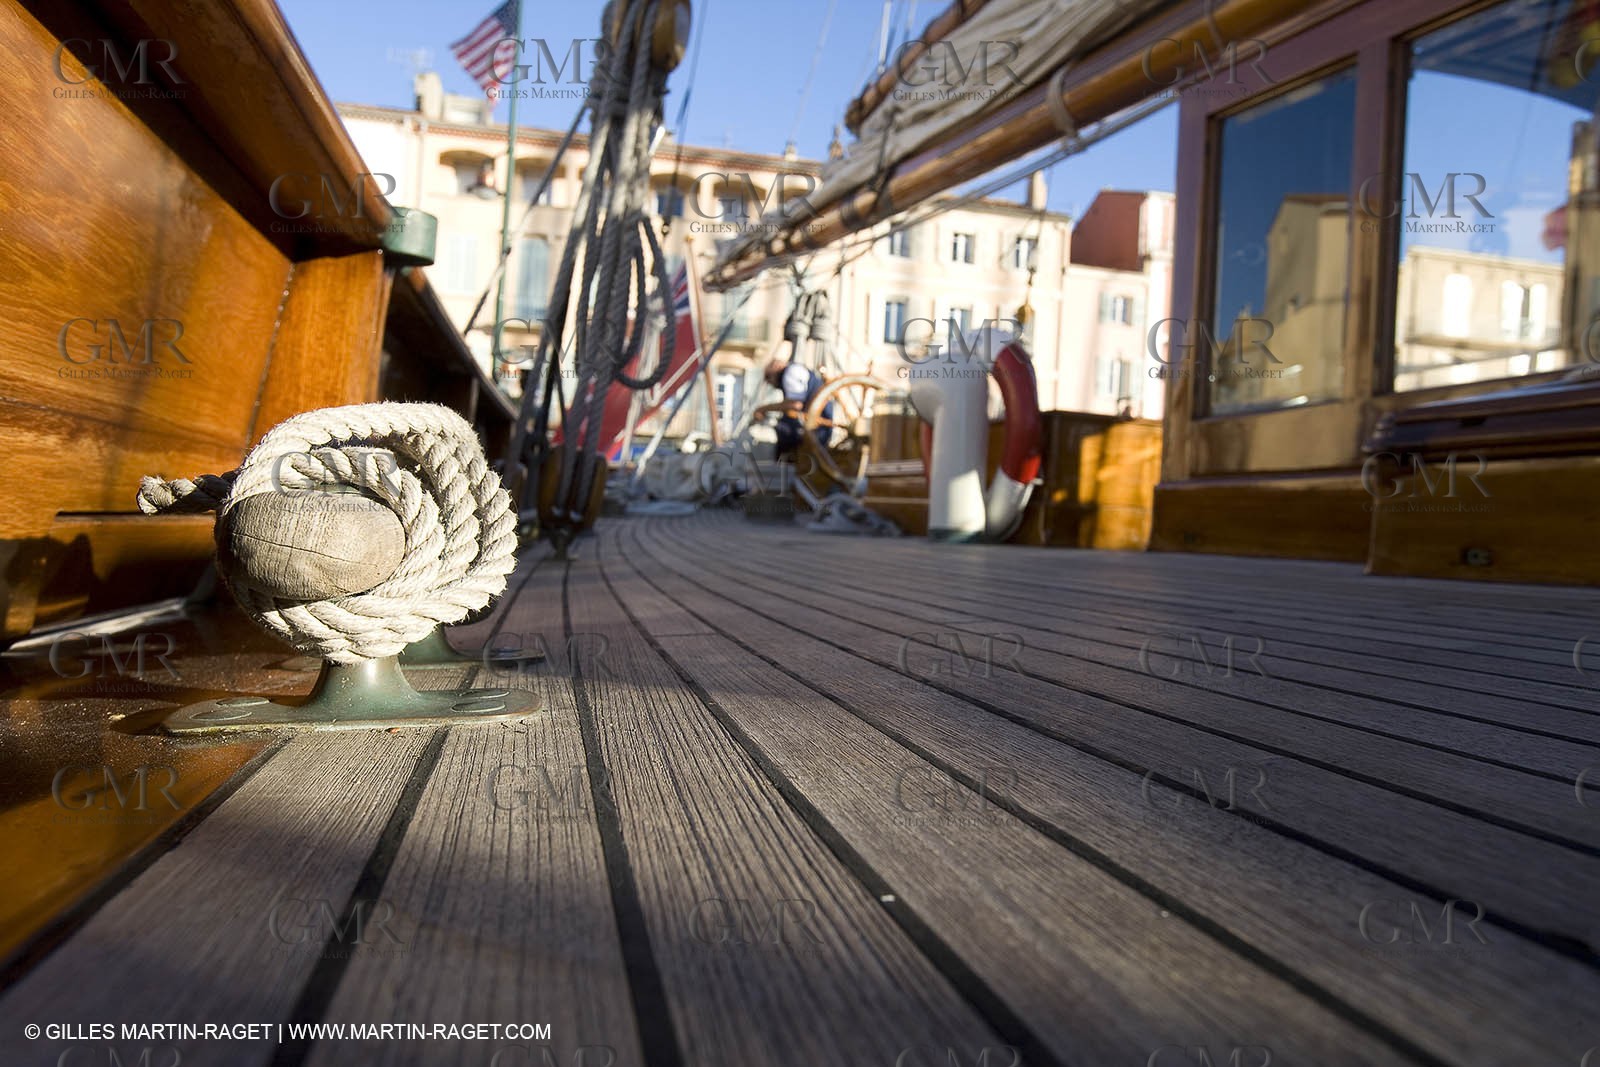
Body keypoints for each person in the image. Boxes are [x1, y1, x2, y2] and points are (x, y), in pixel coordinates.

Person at [758, 357, 835, 461]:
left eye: (768, 377)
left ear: (776, 367)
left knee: (784, 431)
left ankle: (785, 468)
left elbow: (795, 404)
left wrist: (764, 409)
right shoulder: (795, 370)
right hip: (819, 427)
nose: (769, 383)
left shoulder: (790, 373)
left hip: (817, 429)